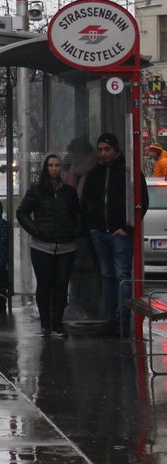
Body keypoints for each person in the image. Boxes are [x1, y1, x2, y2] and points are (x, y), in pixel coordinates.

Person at [81, 132, 148, 336]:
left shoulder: (128, 172)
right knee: (108, 276)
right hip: (100, 232)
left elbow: (141, 202)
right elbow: (86, 201)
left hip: (120, 234)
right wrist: (92, 226)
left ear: (116, 149)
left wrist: (128, 228)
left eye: (107, 150)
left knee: (121, 276)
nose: (103, 154)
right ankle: (112, 318)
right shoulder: (95, 173)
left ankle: (122, 319)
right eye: (100, 150)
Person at [16, 154, 83, 338]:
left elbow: (78, 215)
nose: (54, 169)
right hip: (41, 246)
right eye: (51, 165)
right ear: (46, 168)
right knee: (44, 285)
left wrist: (74, 231)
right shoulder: (37, 190)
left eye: (57, 165)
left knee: (61, 285)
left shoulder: (69, 192)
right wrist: (36, 230)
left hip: (66, 246)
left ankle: (58, 324)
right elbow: (22, 212)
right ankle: (46, 324)